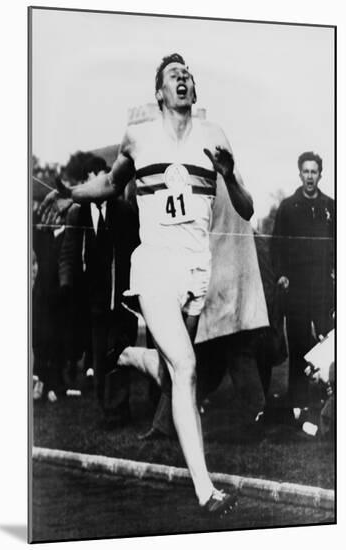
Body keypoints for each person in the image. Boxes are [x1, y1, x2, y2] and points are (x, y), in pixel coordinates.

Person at [39, 53, 254, 514]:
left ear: (194, 91)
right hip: (155, 265)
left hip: (199, 267)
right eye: (173, 76)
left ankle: (137, 355)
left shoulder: (214, 137)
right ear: (159, 92)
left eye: (188, 75)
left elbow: (247, 206)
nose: (183, 79)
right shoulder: (139, 138)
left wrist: (230, 174)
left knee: (178, 374)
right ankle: (206, 492)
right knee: (189, 368)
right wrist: (73, 192)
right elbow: (113, 185)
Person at [59, 153, 139, 427]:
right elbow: (69, 253)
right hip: (93, 299)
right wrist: (66, 285)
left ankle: (119, 408)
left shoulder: (125, 211)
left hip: (122, 296)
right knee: (99, 354)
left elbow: (134, 251)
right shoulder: (77, 213)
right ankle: (108, 408)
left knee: (121, 351)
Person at [271, 151, 334, 409]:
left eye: (314, 171)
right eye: (305, 171)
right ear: (300, 174)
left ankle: (328, 399)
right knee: (298, 347)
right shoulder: (288, 206)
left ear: (321, 174)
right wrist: (281, 274)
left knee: (327, 341)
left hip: (322, 288)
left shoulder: (331, 206)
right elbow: (277, 246)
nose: (310, 176)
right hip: (296, 287)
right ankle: (296, 405)